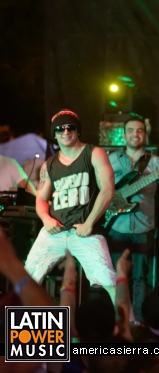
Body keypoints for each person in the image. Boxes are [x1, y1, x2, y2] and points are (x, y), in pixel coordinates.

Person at [24, 109, 117, 302]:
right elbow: (41, 199)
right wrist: (46, 219)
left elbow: (108, 190)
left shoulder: (94, 153)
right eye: (60, 129)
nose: (65, 132)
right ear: (54, 134)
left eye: (70, 127)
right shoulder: (49, 165)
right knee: (26, 281)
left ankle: (128, 320)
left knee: (110, 283)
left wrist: (89, 223)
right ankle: (18, 319)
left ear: (78, 131)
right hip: (55, 231)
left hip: (86, 231)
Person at [106, 114, 159, 322]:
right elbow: (98, 187)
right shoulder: (110, 160)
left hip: (143, 227)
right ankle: (118, 321)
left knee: (141, 277)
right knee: (116, 277)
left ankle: (138, 322)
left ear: (145, 135)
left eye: (139, 130)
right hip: (115, 225)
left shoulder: (156, 162)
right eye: (130, 130)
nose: (135, 134)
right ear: (124, 135)